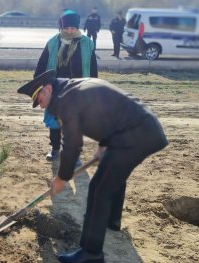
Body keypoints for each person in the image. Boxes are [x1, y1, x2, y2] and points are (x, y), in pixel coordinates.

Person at [17, 70, 168, 263]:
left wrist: (62, 178)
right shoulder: (75, 88)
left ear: (48, 88)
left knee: (98, 189)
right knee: (112, 173)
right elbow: (106, 111)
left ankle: (91, 253)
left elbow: (72, 144)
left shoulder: (65, 99)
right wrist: (103, 144)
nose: (40, 106)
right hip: (144, 129)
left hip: (135, 135)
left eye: (40, 99)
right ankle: (112, 221)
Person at [34, 9, 98, 162]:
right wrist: (40, 86)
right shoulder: (52, 43)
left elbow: (93, 67)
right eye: (66, 28)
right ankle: (55, 149)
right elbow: (41, 66)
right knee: (54, 122)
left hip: (78, 90)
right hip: (55, 89)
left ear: (77, 27)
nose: (70, 31)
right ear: (61, 27)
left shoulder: (87, 43)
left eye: (73, 28)